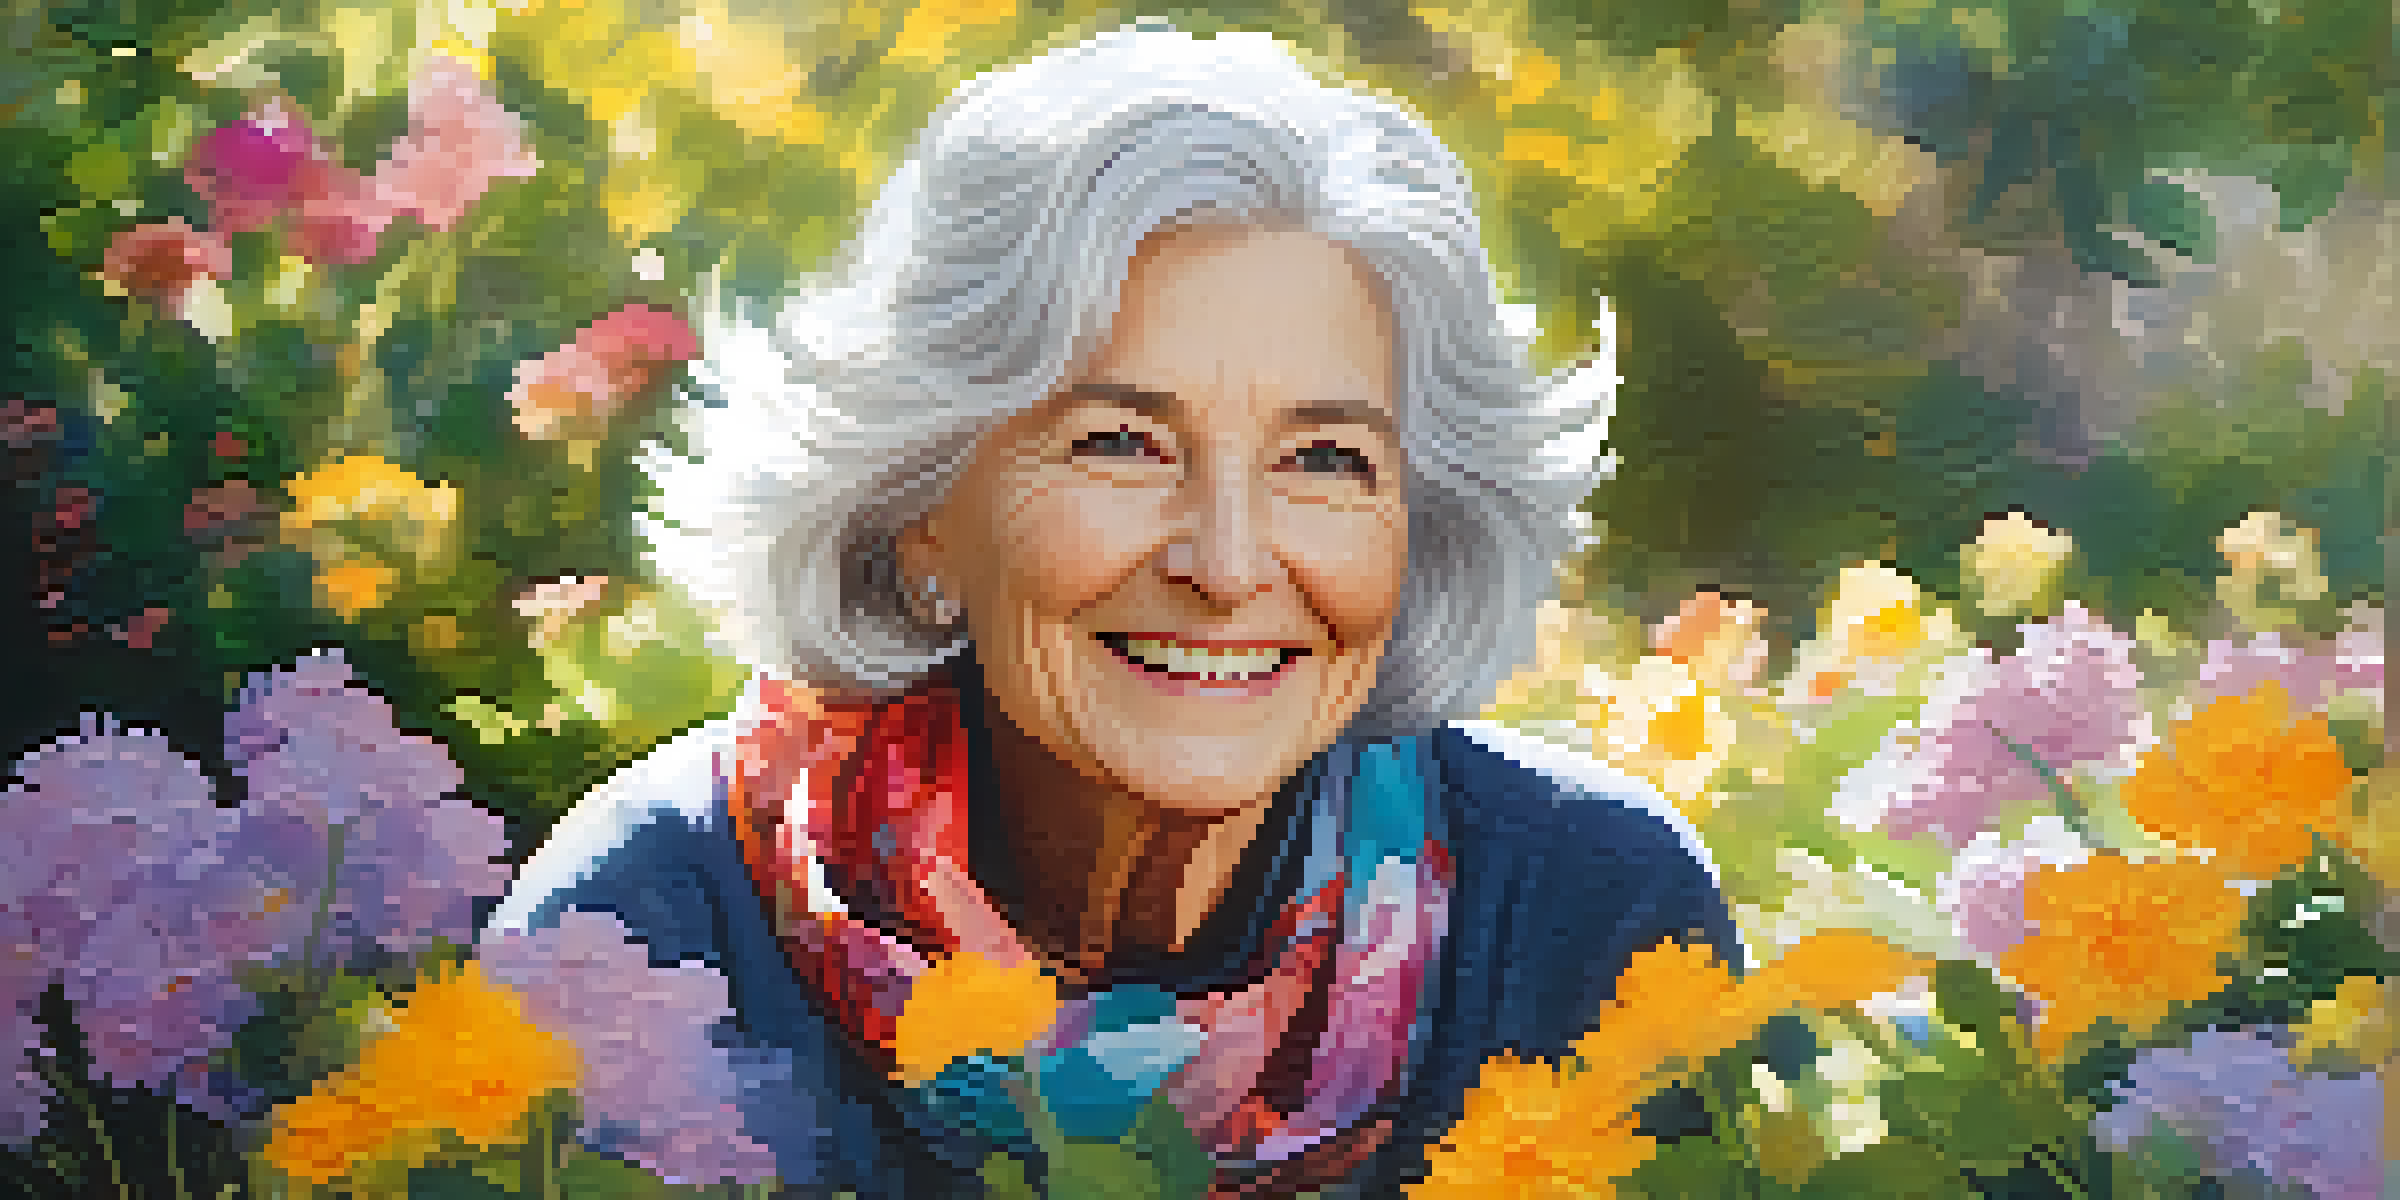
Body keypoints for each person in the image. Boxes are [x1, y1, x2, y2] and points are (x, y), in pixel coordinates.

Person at [484, 23, 1740, 1197]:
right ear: (921, 507)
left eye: (1325, 460)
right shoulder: (648, 930)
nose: (1232, 562)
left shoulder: (1586, 914)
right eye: (1122, 443)